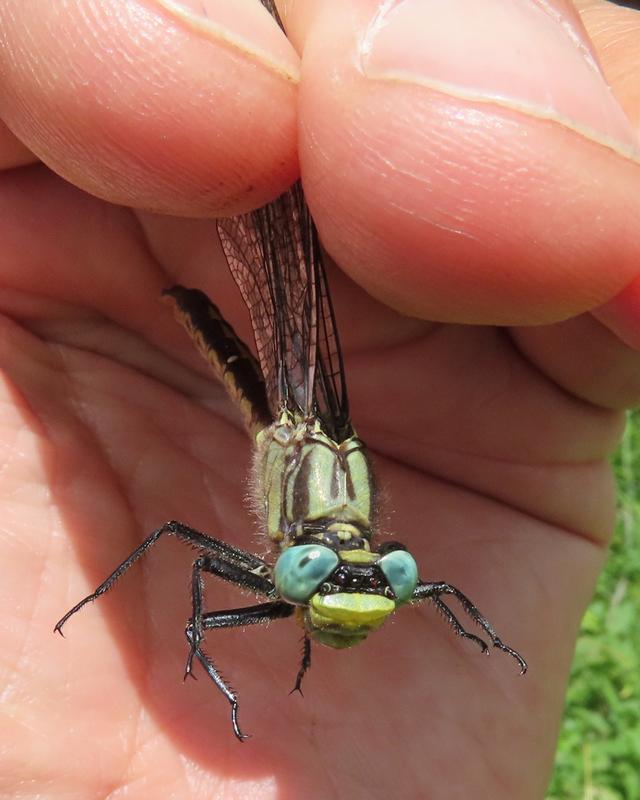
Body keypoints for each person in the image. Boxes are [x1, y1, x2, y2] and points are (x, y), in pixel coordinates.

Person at [0, 1, 638, 797]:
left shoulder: (361, 559)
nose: (364, 584)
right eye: (365, 574)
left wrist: (489, 638)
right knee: (217, 98)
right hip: (266, 366)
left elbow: (431, 593)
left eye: (363, 577)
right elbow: (188, 569)